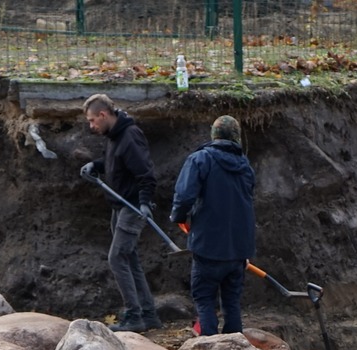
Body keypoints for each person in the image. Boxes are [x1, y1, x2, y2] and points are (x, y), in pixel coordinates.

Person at [169, 115, 256, 337]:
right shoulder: (245, 166)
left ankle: (210, 349)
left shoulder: (200, 159)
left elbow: (184, 195)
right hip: (238, 250)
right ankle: (235, 348)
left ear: (213, 135)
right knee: (231, 301)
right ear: (236, 138)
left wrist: (178, 216)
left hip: (208, 246)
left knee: (204, 298)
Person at [80, 93, 158, 333]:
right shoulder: (114, 136)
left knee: (117, 258)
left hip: (132, 206)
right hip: (119, 205)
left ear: (104, 115)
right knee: (129, 258)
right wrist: (96, 166)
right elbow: (114, 163)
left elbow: (146, 174)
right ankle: (148, 314)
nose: (92, 126)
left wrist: (144, 203)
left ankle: (134, 315)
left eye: (93, 120)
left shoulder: (130, 136)